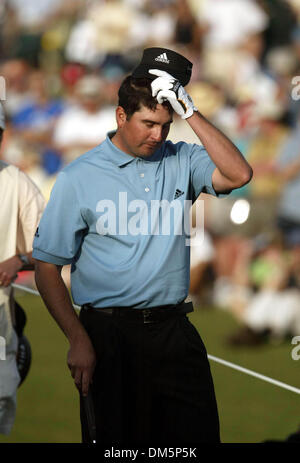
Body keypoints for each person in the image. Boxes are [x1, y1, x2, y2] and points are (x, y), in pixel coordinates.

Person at [33, 48, 252, 444]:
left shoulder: (181, 157)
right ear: (121, 116)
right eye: (148, 124)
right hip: (108, 336)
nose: (158, 135)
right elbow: (47, 267)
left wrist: (191, 112)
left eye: (166, 125)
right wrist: (77, 338)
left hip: (174, 332)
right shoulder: (78, 177)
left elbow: (239, 174)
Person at [0, 103, 46, 435]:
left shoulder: (16, 182)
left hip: (1, 323)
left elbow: (52, 245)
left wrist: (19, 260)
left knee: (0, 403)